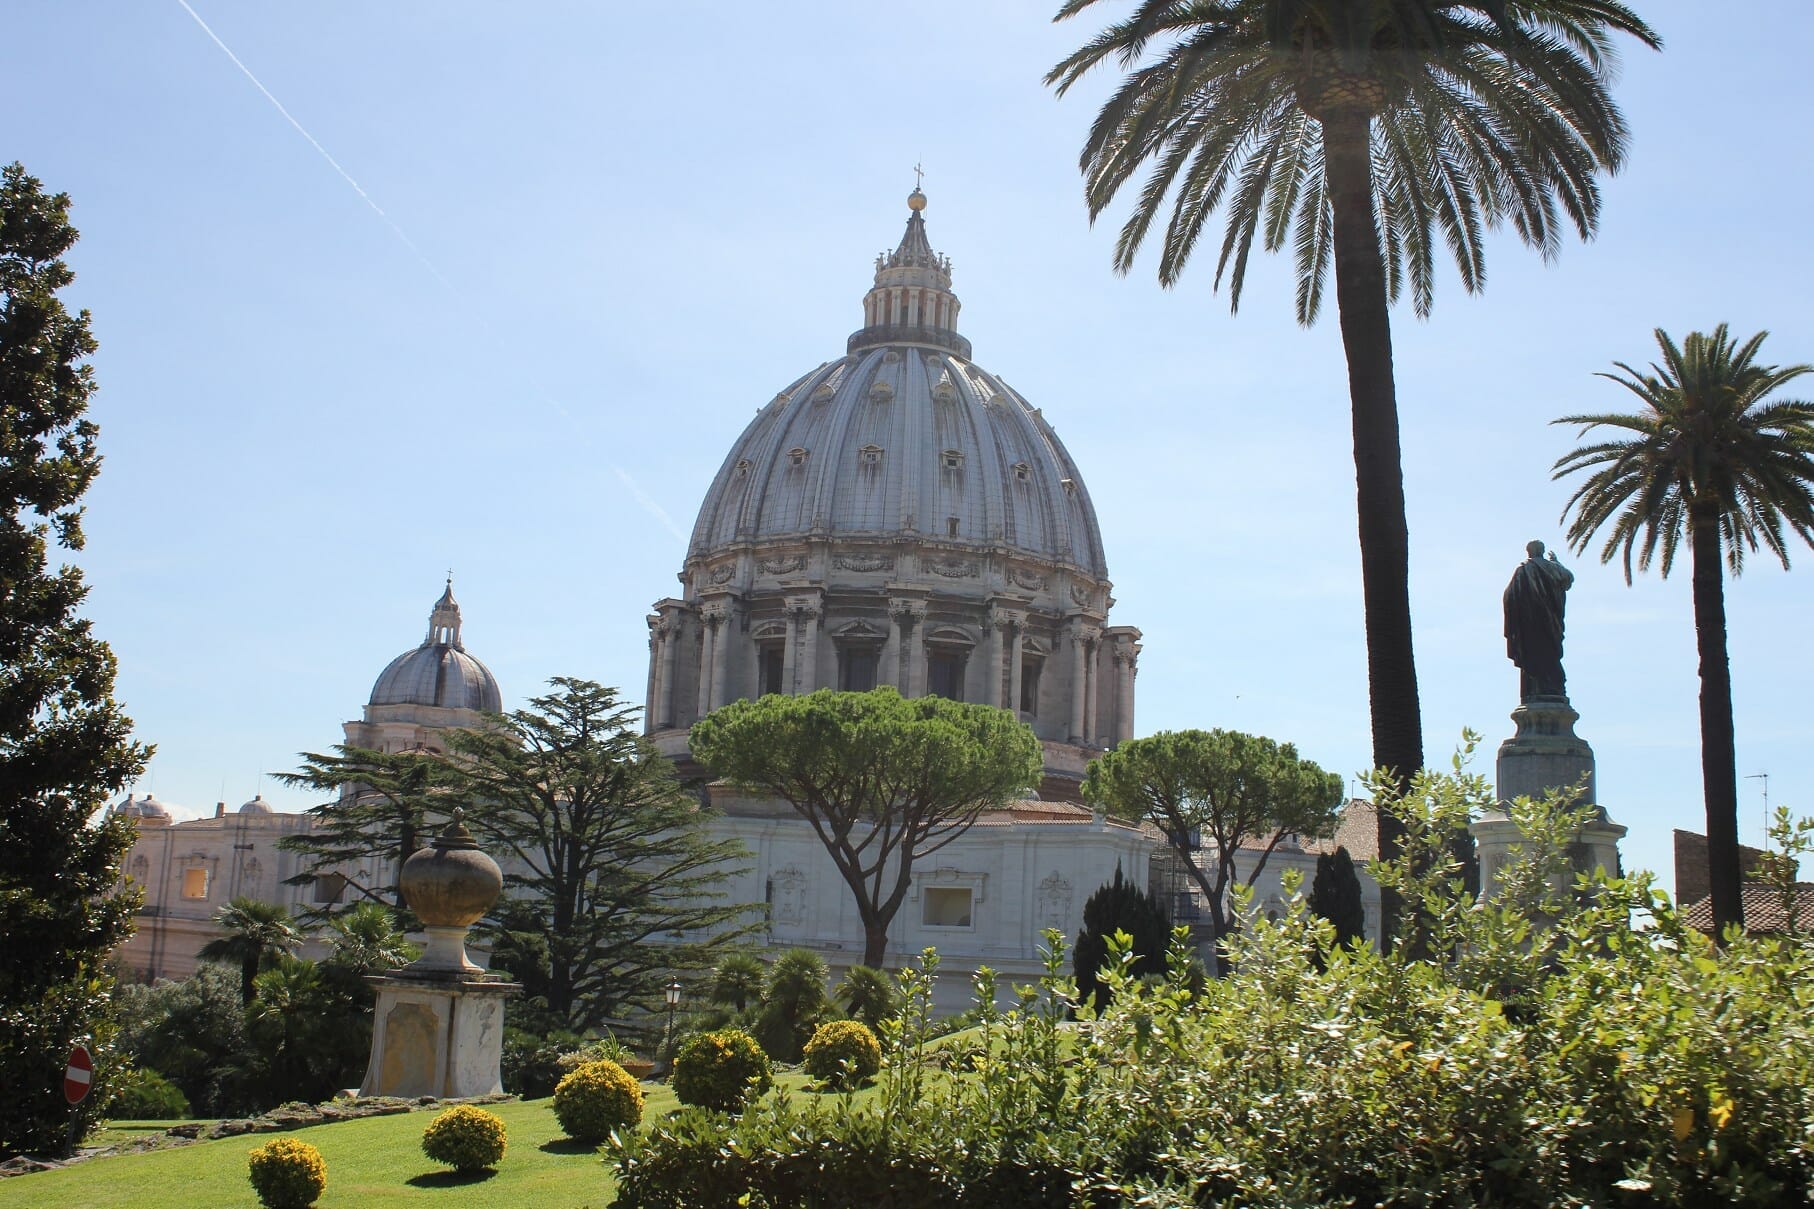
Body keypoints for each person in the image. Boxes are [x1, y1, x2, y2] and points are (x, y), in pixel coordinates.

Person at [1503, 540, 1573, 700]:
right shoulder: (1553, 568)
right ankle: (1552, 689)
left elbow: (1509, 597)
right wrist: (1557, 562)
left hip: (1529, 626)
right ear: (1542, 551)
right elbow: (1568, 578)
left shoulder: (1523, 570)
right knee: (1549, 657)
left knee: (1534, 660)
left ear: (1529, 552)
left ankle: (1539, 690)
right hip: (1550, 624)